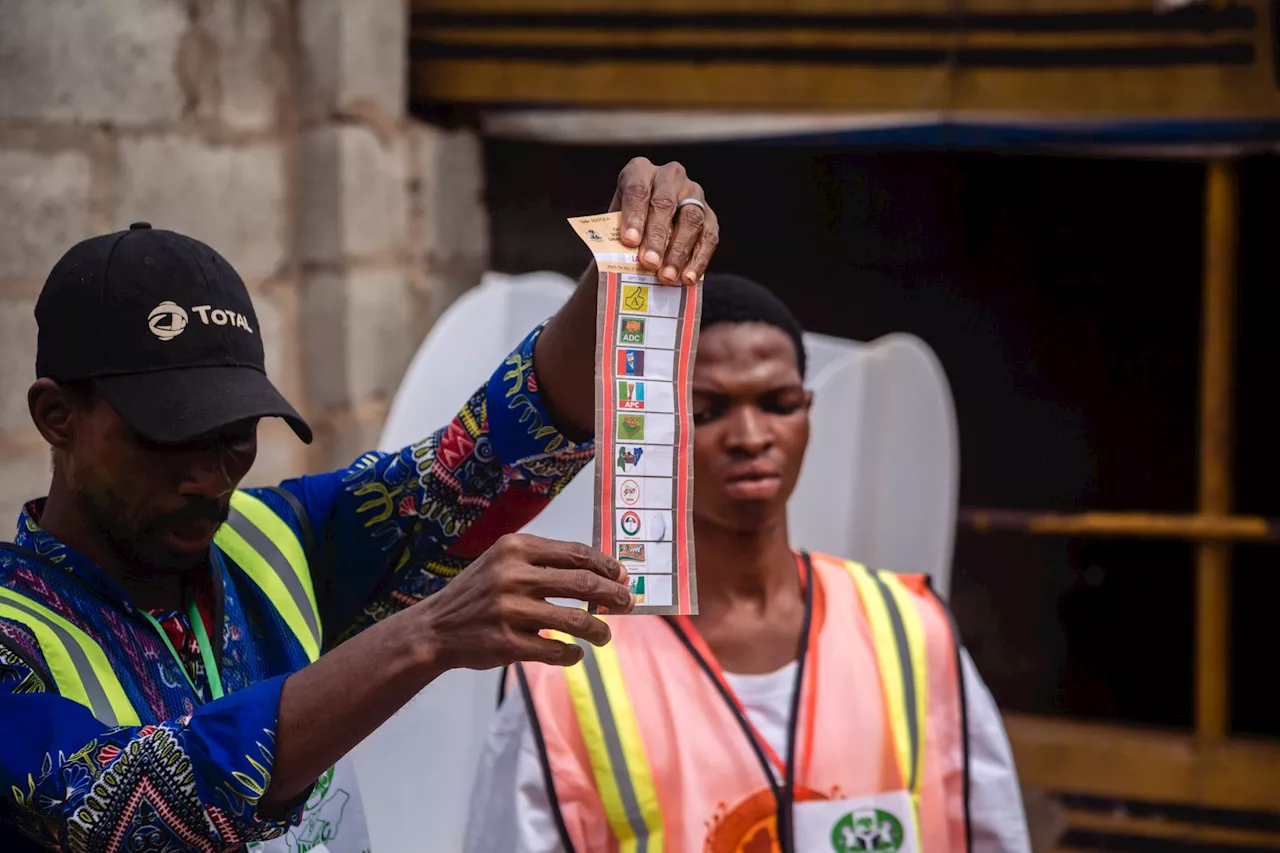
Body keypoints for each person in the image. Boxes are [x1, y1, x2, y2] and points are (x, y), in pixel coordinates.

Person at [0, 159, 719, 852]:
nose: (208, 478)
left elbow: (484, 460)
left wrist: (622, 263)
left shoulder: (275, 537)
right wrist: (425, 635)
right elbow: (118, 804)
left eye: (235, 439)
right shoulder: (14, 637)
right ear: (57, 415)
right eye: (166, 439)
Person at [464, 274, 1031, 853]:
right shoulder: (570, 666)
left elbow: (993, 831)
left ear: (808, 411)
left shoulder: (911, 630)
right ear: (657, 430)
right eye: (708, 411)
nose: (752, 436)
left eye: (779, 404)